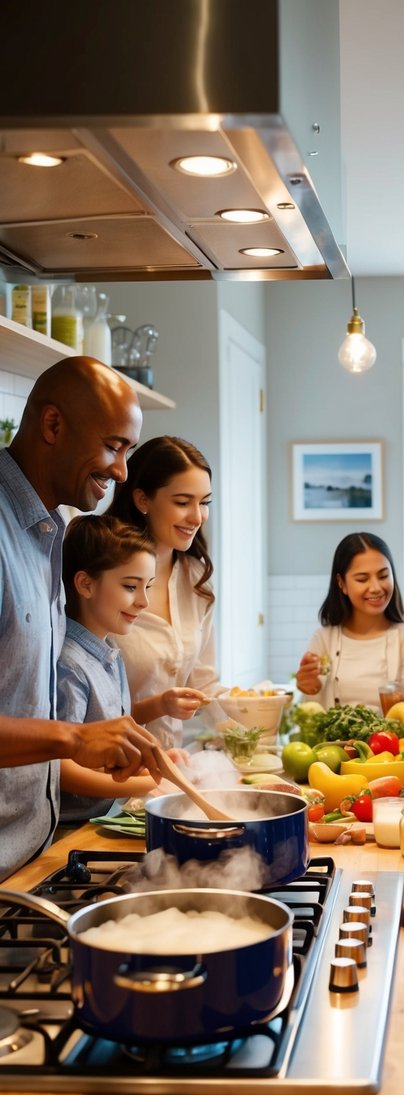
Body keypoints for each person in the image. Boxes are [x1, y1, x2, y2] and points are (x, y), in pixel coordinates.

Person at [0, 355, 160, 880]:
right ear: (52, 425)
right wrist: (72, 739)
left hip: (34, 857)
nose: (120, 471)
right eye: (113, 446)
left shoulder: (47, 533)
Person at [104, 436, 222, 749]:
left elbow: (205, 683)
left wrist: (250, 736)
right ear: (142, 500)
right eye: (183, 502)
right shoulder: (101, 577)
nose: (197, 517)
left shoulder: (196, 579)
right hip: (108, 773)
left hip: (171, 764)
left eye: (205, 502)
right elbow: (88, 712)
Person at [57, 515, 165, 823]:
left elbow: (116, 740)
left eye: (148, 586)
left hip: (110, 816)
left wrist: (158, 761)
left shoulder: (111, 654)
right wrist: (152, 781)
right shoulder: (70, 665)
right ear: (85, 584)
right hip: (75, 829)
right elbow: (61, 771)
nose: (144, 601)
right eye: (131, 586)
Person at [295, 532, 404, 710]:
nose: (376, 588)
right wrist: (310, 687)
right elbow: (312, 711)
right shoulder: (323, 639)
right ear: (341, 583)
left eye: (383, 576)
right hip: (336, 739)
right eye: (362, 579)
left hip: (392, 739)